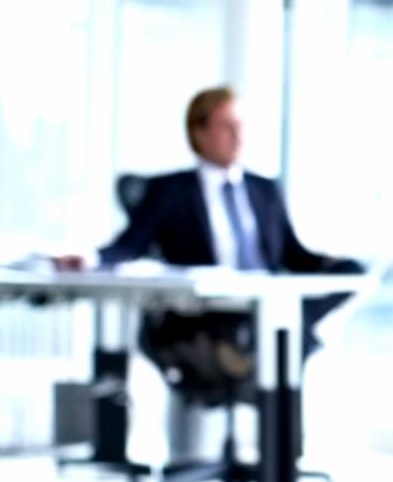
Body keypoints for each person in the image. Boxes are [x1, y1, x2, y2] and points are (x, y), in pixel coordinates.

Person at [62, 85, 358, 387]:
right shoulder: (172, 190)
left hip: (265, 302)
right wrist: (91, 258)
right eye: (226, 126)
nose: (238, 135)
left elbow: (292, 255)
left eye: (240, 126)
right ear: (199, 134)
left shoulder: (264, 190)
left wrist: (334, 261)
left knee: (349, 274)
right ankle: (278, 335)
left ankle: (281, 329)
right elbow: (130, 244)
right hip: (208, 312)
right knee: (281, 337)